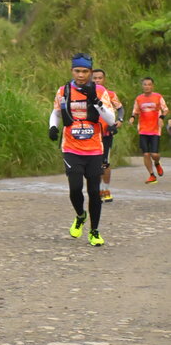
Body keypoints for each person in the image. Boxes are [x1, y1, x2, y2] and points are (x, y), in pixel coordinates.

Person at [48, 53, 115, 246]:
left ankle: (94, 231)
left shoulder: (99, 90)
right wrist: (53, 127)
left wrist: (95, 101)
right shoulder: (64, 91)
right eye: (77, 71)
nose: (81, 75)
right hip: (71, 148)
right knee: (75, 188)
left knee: (94, 192)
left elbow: (110, 119)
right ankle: (80, 215)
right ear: (72, 71)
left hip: (94, 149)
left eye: (85, 71)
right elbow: (56, 112)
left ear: (90, 72)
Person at [92, 68, 124, 202]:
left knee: (105, 163)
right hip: (91, 134)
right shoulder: (85, 94)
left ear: (104, 79)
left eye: (100, 78)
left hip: (106, 133)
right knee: (94, 164)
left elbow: (120, 108)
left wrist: (119, 120)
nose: (97, 80)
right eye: (94, 78)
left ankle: (106, 189)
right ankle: (97, 190)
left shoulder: (110, 94)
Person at [128, 77, 168, 183]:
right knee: (146, 154)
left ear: (152, 86)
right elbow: (135, 111)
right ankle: (152, 175)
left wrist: (161, 118)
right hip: (143, 129)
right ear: (142, 86)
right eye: (145, 84)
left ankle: (157, 163)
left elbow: (165, 109)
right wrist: (132, 118)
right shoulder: (139, 98)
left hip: (155, 129)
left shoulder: (158, 97)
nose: (147, 86)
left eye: (149, 84)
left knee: (154, 154)